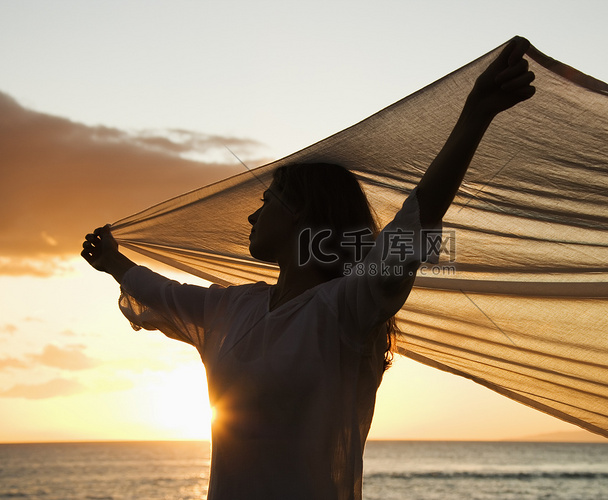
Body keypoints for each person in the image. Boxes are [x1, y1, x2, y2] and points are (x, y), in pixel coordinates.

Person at [81, 37, 535, 500]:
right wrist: (114, 262)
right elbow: (162, 292)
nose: (253, 217)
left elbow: (414, 223)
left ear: (302, 212)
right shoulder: (231, 307)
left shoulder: (343, 310)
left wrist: (476, 114)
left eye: (266, 201)